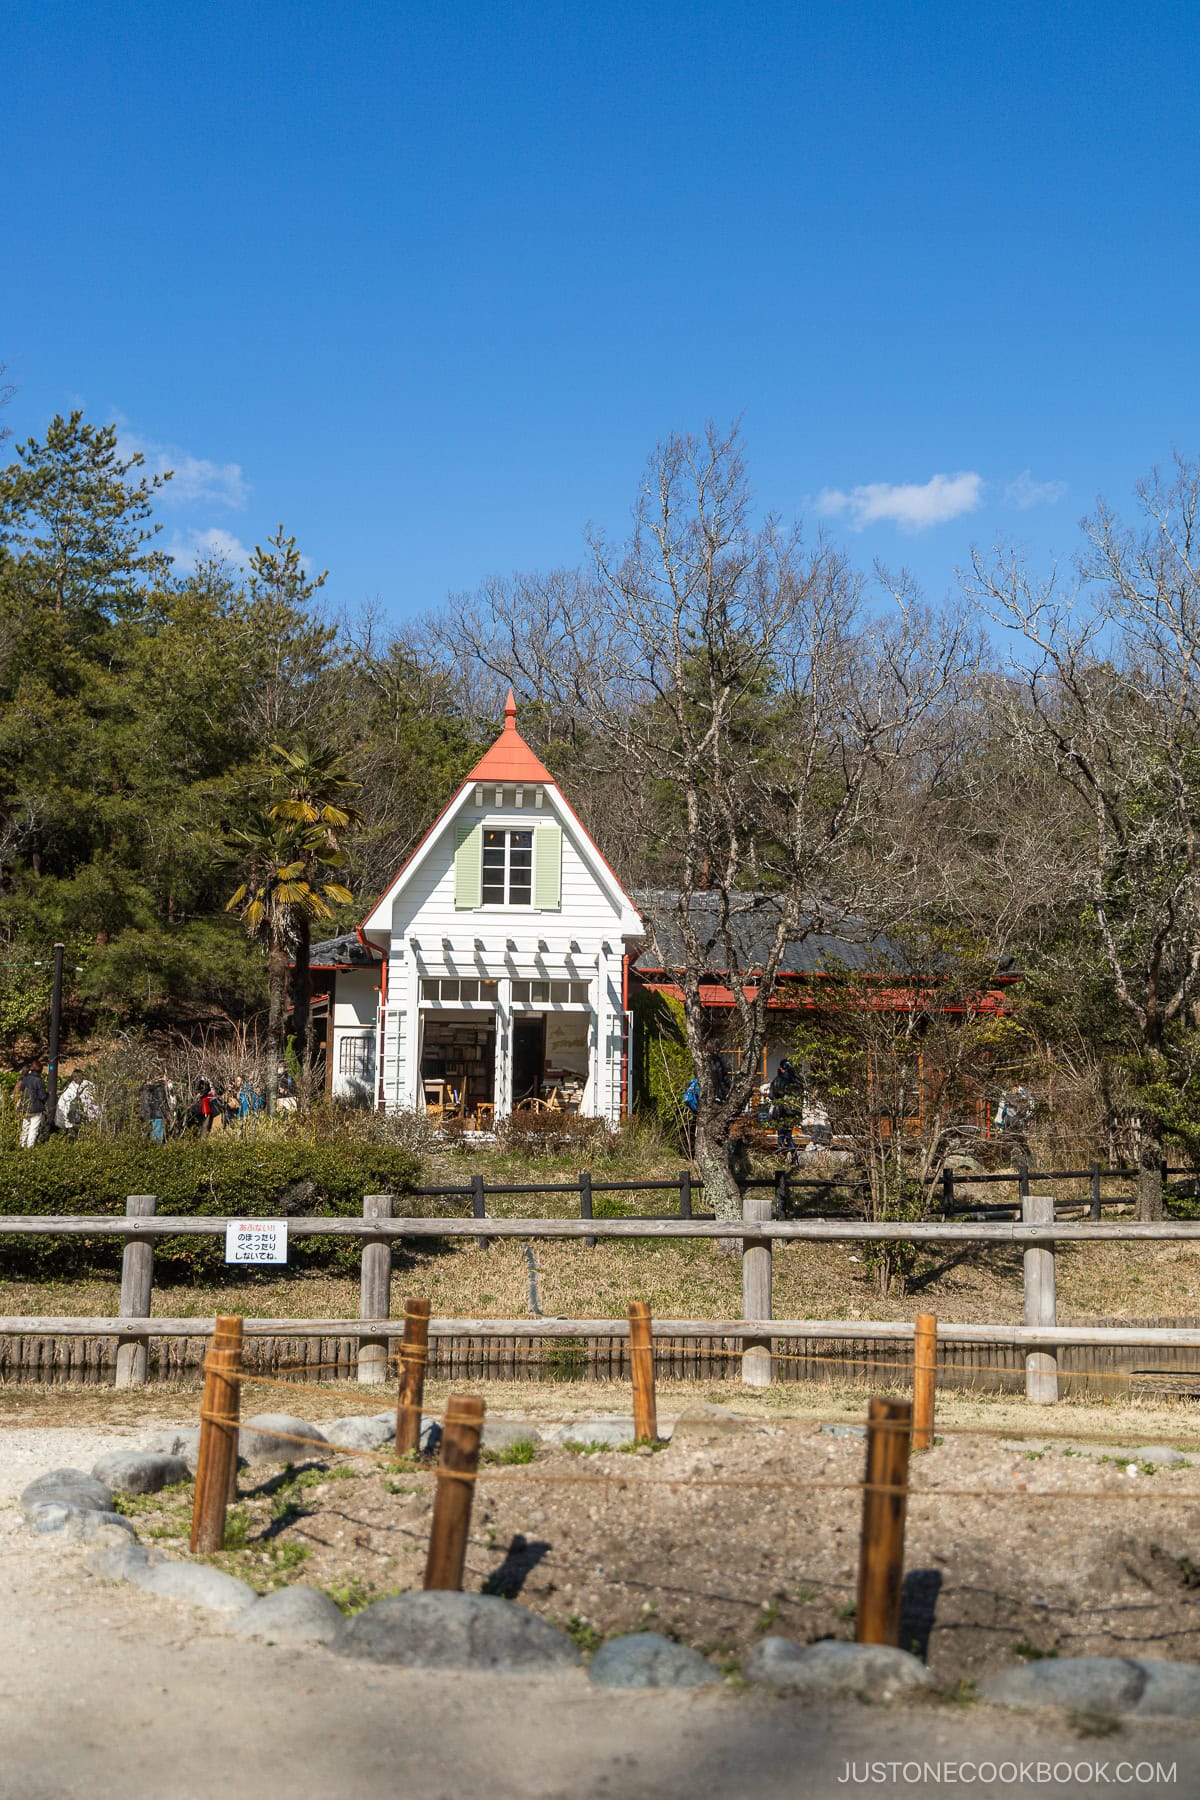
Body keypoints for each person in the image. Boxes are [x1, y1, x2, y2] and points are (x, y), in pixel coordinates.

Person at [14, 1058, 48, 1149]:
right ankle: (30, 1148)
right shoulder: (39, 1081)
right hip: (36, 1108)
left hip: (25, 1106)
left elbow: (21, 1091)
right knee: (33, 1129)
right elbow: (42, 1096)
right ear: (40, 1070)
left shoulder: (25, 1079)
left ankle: (21, 1145)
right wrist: (48, 1095)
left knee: (25, 1127)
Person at [139, 1073, 172, 1144]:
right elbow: (161, 1103)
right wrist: (167, 1115)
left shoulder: (148, 1088)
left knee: (151, 1134)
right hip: (158, 1114)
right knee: (157, 1137)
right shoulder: (159, 1088)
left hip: (151, 1115)